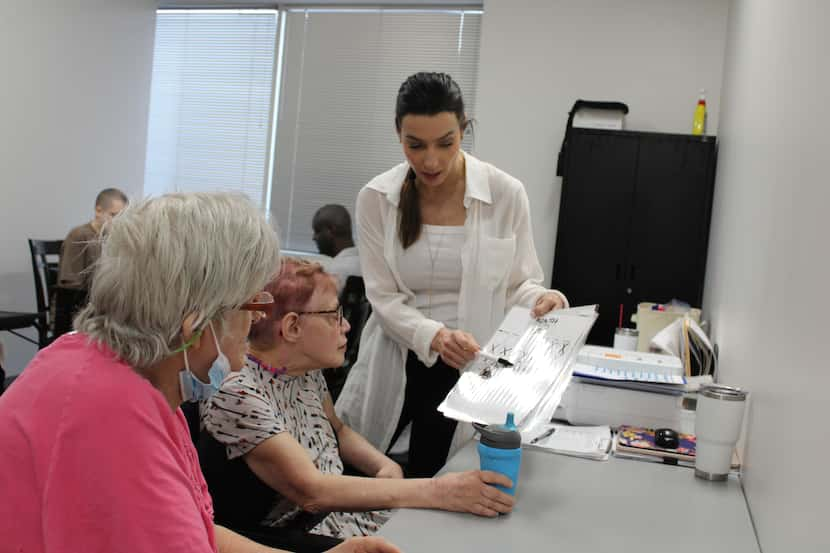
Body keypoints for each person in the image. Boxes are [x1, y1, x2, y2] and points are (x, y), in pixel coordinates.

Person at [0, 192, 399, 553]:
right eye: (253, 305)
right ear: (198, 325)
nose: (257, 322)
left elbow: (194, 526)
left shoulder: (108, 367)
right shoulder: (113, 416)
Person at [336, 72, 569, 478]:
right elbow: (383, 297)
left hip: (469, 367)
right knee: (366, 476)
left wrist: (544, 300)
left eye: (446, 143)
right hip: (397, 358)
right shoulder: (376, 198)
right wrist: (436, 337)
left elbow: (518, 284)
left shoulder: (504, 194)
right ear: (398, 134)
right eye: (415, 145)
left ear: (464, 130)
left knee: (441, 480)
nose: (431, 161)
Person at [201, 258, 515, 540]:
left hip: (332, 515)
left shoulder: (301, 369)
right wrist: (437, 491)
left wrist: (382, 464)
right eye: (333, 316)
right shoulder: (238, 391)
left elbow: (337, 430)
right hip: (291, 533)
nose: (347, 326)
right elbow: (313, 491)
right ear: (292, 327)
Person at [58, 187, 129, 290]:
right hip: (78, 301)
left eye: (123, 216)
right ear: (98, 211)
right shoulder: (79, 235)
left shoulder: (113, 239)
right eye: (114, 215)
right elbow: (70, 283)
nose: (119, 221)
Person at [312, 204, 361, 294]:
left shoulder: (330, 273)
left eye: (317, 231)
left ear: (330, 230)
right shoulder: (370, 265)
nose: (314, 237)